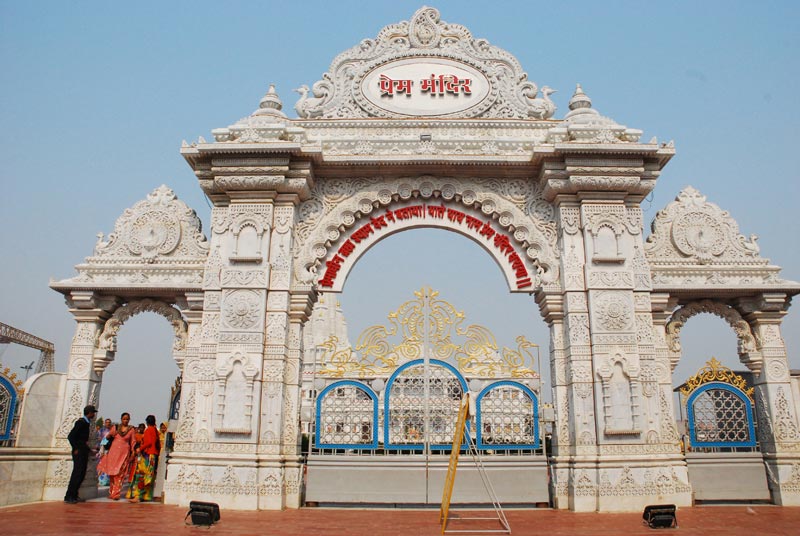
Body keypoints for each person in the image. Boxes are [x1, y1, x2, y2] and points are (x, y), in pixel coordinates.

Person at [97, 412, 136, 500]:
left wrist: (133, 452)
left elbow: (133, 442)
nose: (125, 421)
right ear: (121, 419)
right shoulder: (115, 428)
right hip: (113, 452)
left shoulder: (131, 430)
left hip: (124, 453)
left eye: (127, 419)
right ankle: (111, 492)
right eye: (124, 419)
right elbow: (108, 437)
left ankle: (116, 493)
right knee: (112, 473)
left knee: (120, 473)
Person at [65, 404, 97, 504]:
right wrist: (75, 448)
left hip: (83, 451)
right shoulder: (81, 423)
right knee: (77, 474)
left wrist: (89, 450)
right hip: (78, 452)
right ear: (89, 413)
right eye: (93, 413)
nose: (94, 415)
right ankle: (69, 496)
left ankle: (74, 494)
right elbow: (71, 436)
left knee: (81, 473)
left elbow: (82, 440)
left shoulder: (86, 423)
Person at [127, 415, 161, 502]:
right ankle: (146, 496)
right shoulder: (155, 431)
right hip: (153, 455)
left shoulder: (149, 430)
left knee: (142, 475)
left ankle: (138, 496)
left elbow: (149, 442)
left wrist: (140, 448)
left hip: (148, 455)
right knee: (149, 476)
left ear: (147, 422)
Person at [96, 418, 112, 486]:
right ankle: (99, 479)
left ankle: (106, 480)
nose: (108, 423)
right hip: (102, 448)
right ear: (105, 423)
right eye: (107, 422)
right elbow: (99, 439)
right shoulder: (101, 430)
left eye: (109, 422)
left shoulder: (112, 431)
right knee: (101, 464)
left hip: (109, 450)